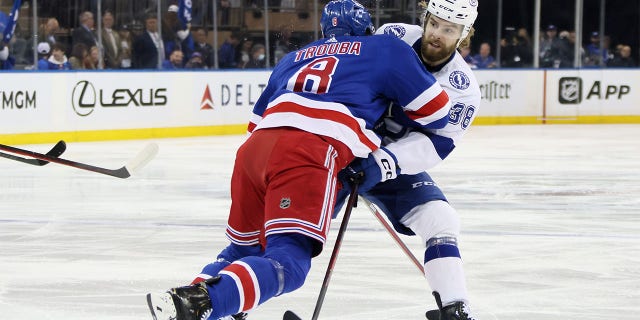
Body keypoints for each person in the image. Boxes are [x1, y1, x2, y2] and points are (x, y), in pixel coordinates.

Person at [146, 1, 452, 319]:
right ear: (366, 29)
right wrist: (386, 108)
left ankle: (187, 299)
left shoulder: (292, 58)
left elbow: (255, 124)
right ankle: (203, 302)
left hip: (254, 152)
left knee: (244, 251)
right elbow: (437, 112)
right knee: (288, 264)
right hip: (309, 151)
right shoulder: (384, 47)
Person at [369, 0, 481, 318]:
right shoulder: (393, 36)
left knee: (441, 220)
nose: (436, 35)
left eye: (449, 30)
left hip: (392, 164)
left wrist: (383, 162)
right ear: (425, 19)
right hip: (343, 148)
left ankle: (454, 308)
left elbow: (437, 144)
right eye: (434, 24)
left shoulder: (463, 89)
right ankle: (232, 296)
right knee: (298, 225)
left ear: (464, 34)